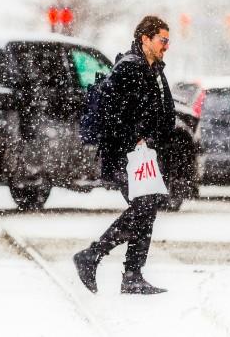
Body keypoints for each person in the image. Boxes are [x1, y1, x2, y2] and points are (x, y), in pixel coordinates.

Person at [73, 16, 175, 295]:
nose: (167, 46)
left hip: (141, 155)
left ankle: (132, 274)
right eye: (162, 40)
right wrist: (134, 138)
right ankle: (93, 256)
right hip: (123, 155)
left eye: (168, 41)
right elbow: (110, 113)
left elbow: (157, 113)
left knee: (147, 207)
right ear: (145, 39)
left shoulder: (152, 69)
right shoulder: (129, 68)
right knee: (144, 206)